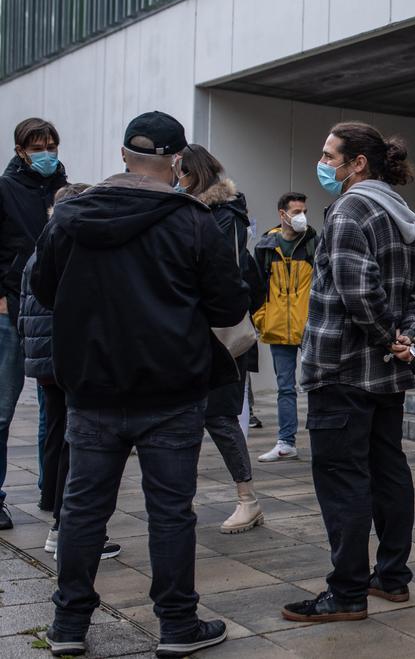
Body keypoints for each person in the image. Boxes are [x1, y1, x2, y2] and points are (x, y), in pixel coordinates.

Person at [33, 111, 244, 657]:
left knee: (82, 509)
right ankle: (176, 627)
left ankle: (68, 626)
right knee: (171, 511)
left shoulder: (70, 216)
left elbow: (44, 288)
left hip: (91, 388)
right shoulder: (193, 221)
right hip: (171, 390)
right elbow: (228, 304)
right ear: (177, 162)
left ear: (124, 155)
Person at [283, 121, 415, 623]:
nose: (323, 163)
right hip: (386, 374)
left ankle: (346, 591)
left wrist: (386, 336)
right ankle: (391, 578)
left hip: (342, 369)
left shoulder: (350, 209)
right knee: (388, 470)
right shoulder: (401, 213)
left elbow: (355, 291)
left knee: (342, 478)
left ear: (358, 163)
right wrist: (405, 338)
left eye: (330, 155)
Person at [18, 183, 122, 561]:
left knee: (58, 437)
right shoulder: (67, 250)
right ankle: (63, 527)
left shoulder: (39, 252)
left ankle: (56, 513)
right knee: (73, 446)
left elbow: (26, 316)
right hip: (69, 364)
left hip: (47, 363)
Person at [175, 144, 267, 534]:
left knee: (220, 417)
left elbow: (227, 279)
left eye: (180, 171)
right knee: (185, 419)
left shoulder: (223, 216)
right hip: (192, 333)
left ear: (193, 174)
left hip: (218, 335)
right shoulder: (195, 212)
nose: (175, 178)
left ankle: (248, 500)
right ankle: (180, 500)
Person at [0, 117, 68, 529]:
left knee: (55, 410)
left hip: (54, 311)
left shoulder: (64, 188)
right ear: (21, 149)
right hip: (10, 309)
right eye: (38, 145)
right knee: (2, 411)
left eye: (51, 144)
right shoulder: (5, 188)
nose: (47, 152)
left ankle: (52, 490)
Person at [254, 191, 318, 461]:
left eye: (304, 210)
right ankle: (285, 443)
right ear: (282, 215)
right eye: (295, 212)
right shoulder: (266, 247)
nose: (301, 216)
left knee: (318, 386)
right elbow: (255, 288)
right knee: (285, 387)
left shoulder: (314, 244)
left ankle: (324, 442)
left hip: (311, 329)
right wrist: (261, 318)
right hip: (278, 327)